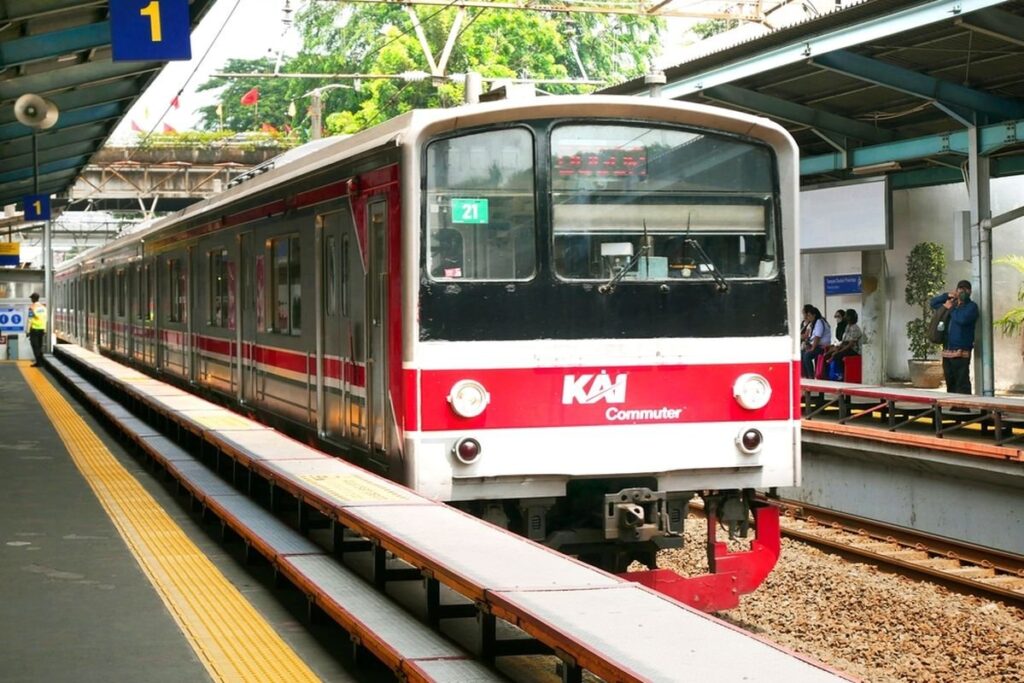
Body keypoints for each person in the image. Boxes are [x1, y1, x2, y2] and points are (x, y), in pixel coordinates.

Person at [929, 280, 979, 394]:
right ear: (956, 290)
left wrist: (950, 308)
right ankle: (952, 406)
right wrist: (947, 296)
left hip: (961, 352)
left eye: (966, 289)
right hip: (947, 350)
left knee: (962, 381)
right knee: (950, 380)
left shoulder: (971, 307)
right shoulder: (953, 303)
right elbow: (933, 303)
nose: (963, 291)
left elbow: (961, 319)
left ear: (970, 292)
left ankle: (963, 407)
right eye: (960, 288)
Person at [801, 305, 831, 378]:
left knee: (807, 356)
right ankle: (806, 376)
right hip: (816, 346)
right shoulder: (813, 323)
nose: (808, 317)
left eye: (809, 315)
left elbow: (817, 337)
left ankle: (811, 376)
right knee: (802, 354)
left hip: (822, 347)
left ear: (814, 315)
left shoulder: (819, 322)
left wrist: (812, 348)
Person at [25, 292, 47, 367]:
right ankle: (40, 361)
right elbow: (45, 319)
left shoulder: (32, 307)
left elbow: (30, 320)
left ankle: (39, 362)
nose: (31, 299)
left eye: (31, 298)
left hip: (34, 329)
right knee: (39, 346)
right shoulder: (43, 307)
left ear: (34, 299)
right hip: (41, 329)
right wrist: (45, 329)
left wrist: (27, 331)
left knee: (35, 346)